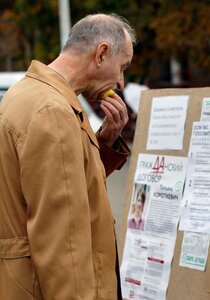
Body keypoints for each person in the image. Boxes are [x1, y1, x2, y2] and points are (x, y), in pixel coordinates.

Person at [0, 13, 136, 299]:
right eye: (122, 67)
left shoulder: (31, 93)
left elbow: (64, 184)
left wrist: (105, 142)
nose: (121, 82)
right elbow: (64, 242)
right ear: (101, 53)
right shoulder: (53, 110)